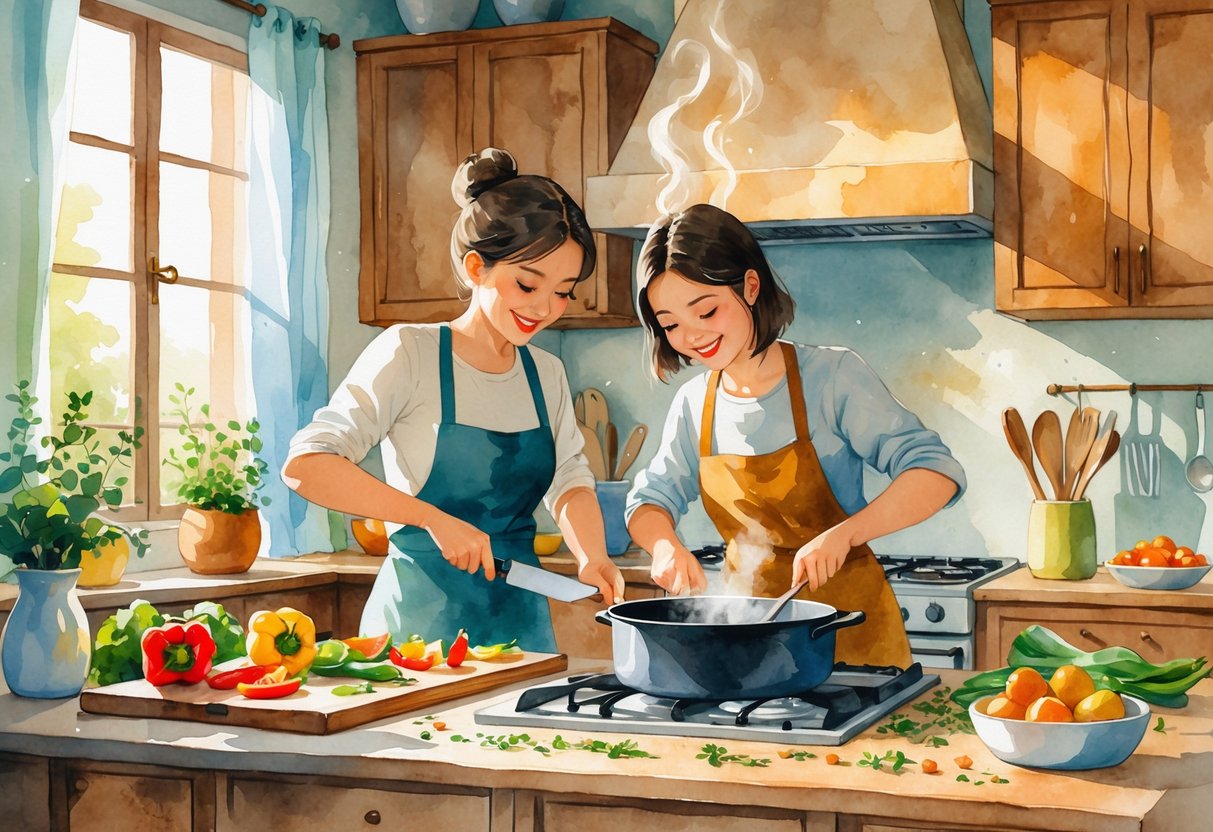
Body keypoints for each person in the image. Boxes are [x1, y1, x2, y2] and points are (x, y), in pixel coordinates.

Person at [283, 148, 625, 653]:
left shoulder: (545, 373)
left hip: (520, 628)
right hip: (418, 632)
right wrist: (431, 519)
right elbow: (306, 465)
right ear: (475, 267)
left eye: (562, 292)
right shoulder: (410, 352)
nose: (543, 307)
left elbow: (569, 479)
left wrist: (591, 553)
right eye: (527, 283)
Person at [624, 204, 965, 667]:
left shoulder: (833, 376)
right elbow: (649, 499)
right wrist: (665, 546)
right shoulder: (693, 403)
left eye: (706, 310)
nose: (692, 335)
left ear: (750, 286)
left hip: (850, 634)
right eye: (670, 324)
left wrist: (844, 536)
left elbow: (936, 473)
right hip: (750, 639)